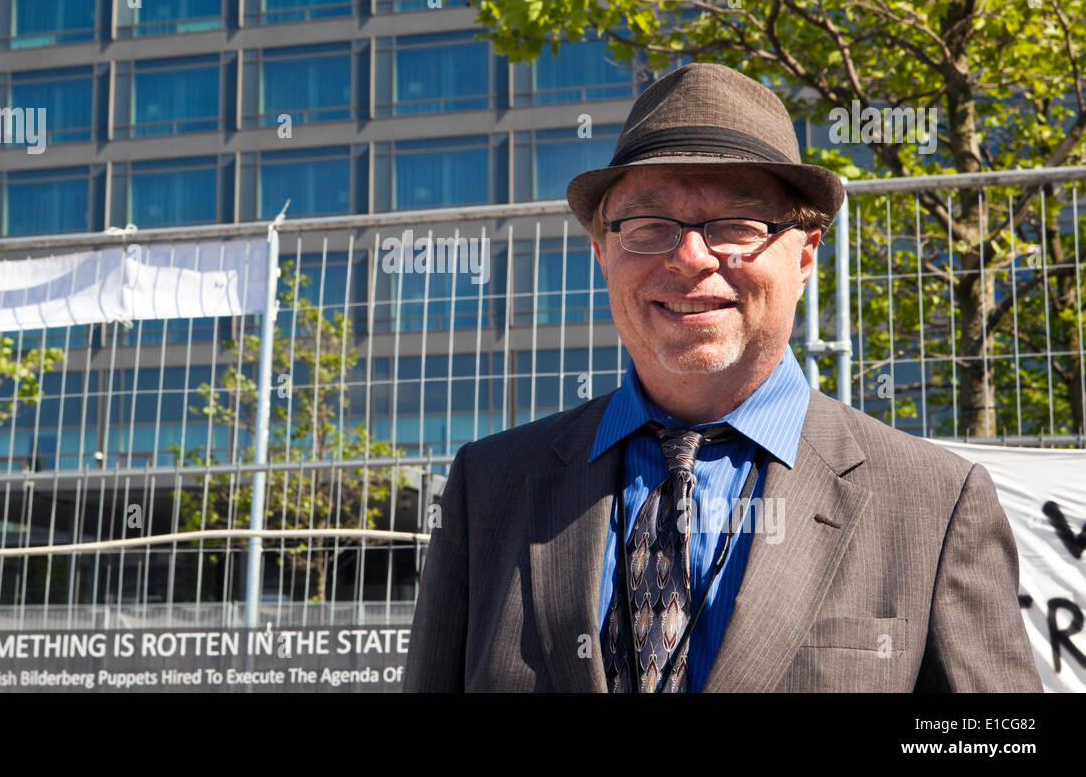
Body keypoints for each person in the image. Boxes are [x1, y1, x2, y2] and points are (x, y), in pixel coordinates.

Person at [402, 62, 1041, 692]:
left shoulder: (933, 502)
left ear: (808, 255)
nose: (690, 258)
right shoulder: (487, 488)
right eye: (648, 226)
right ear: (602, 253)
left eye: (737, 225)